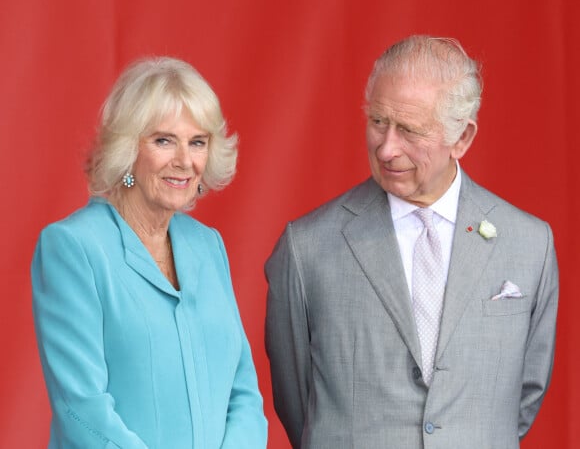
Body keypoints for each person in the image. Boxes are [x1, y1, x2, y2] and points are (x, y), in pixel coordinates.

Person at [265, 35, 558, 448]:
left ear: (462, 138)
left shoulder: (530, 244)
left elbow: (524, 396)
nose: (386, 148)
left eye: (409, 130)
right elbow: (297, 403)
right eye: (378, 122)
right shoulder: (307, 247)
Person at [32, 56, 268, 448]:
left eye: (198, 142)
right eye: (163, 140)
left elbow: (242, 392)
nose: (184, 161)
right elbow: (81, 410)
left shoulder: (208, 246)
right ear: (127, 148)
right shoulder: (73, 248)